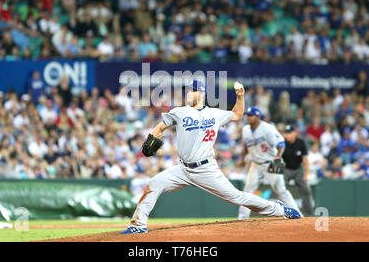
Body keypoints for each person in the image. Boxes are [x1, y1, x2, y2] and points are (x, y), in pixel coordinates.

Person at [121, 81, 301, 234]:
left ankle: (279, 209)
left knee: (237, 197)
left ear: (201, 93)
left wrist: (240, 96)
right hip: (183, 169)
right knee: (154, 183)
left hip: (206, 169)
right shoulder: (180, 111)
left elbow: (238, 114)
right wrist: (151, 137)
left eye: (191, 90)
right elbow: (160, 127)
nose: (188, 93)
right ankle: (139, 225)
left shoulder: (215, 114)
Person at [238, 107, 302, 220]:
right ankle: (242, 218)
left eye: (250, 115)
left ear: (258, 117)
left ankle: (297, 215)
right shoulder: (245, 129)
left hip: (272, 162)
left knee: (281, 190)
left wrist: (279, 156)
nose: (248, 117)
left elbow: (281, 142)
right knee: (248, 190)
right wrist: (243, 159)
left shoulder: (267, 128)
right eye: (247, 115)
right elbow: (246, 146)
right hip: (256, 164)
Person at [282, 124, 314, 217]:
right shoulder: (282, 143)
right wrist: (278, 175)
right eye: (286, 133)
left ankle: (309, 215)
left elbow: (305, 159)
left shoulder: (300, 142)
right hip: (286, 169)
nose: (288, 135)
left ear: (295, 133)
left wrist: (307, 173)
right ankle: (282, 213)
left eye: (290, 133)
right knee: (281, 189)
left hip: (298, 169)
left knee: (305, 191)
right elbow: (278, 159)